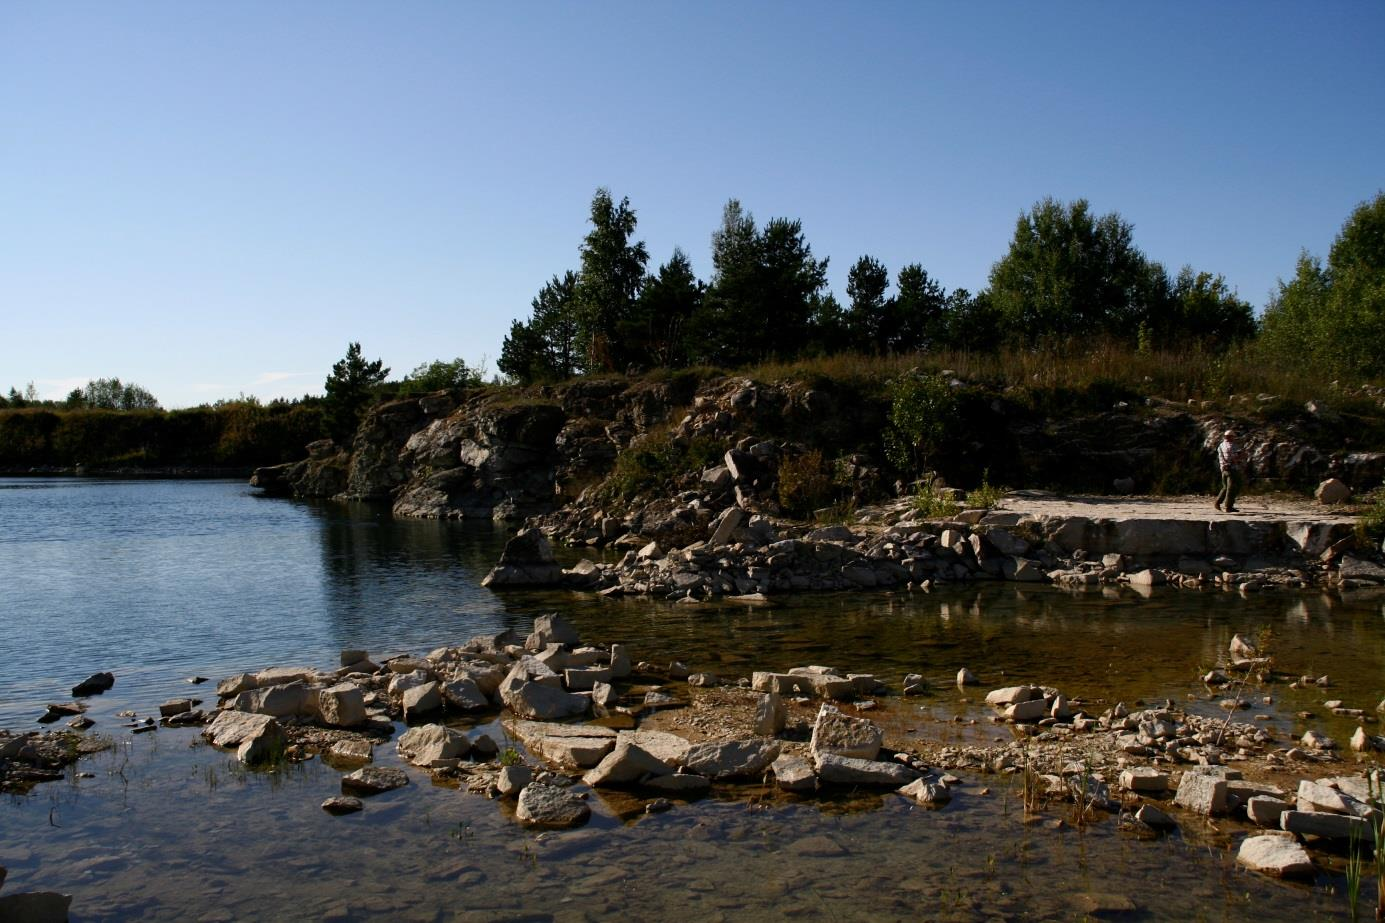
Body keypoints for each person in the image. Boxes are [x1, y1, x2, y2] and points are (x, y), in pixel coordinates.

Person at [1214, 429, 1245, 513]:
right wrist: (1240, 457)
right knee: (1232, 488)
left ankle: (1217, 502)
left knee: (1225, 487)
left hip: (1223, 469)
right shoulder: (1232, 446)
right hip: (1232, 469)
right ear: (1231, 437)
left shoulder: (1221, 445)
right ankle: (1228, 506)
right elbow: (1234, 457)